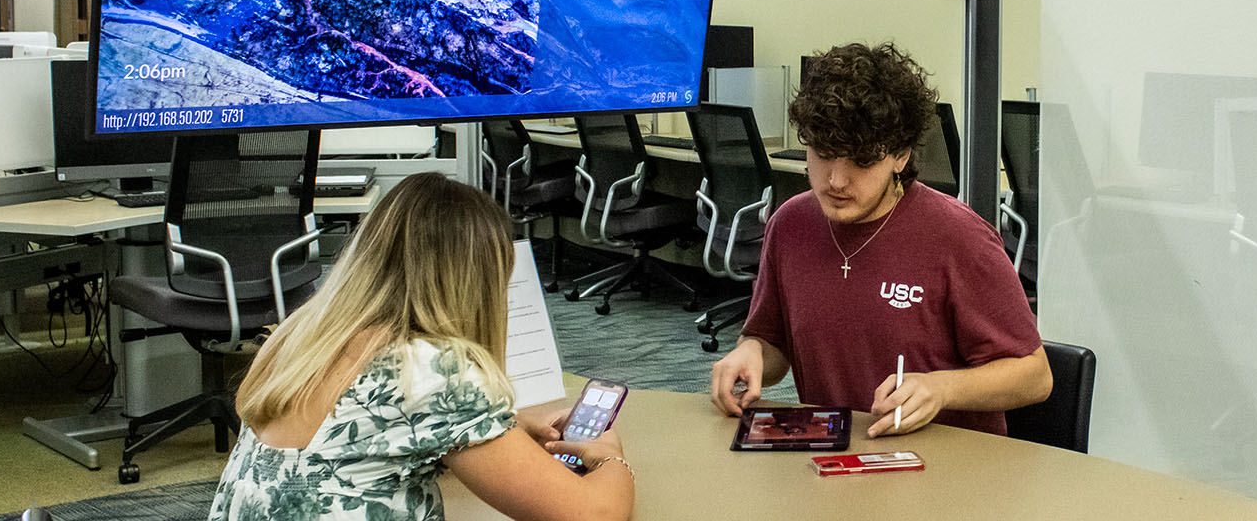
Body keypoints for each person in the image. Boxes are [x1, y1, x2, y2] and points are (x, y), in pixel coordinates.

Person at [209, 172, 633, 521]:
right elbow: (592, 514)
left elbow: (367, 438)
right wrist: (609, 458)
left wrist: (501, 428)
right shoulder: (435, 370)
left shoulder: (299, 334)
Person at [709, 42, 1051, 436]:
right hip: (837, 457)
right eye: (822, 154)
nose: (836, 180)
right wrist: (751, 351)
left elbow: (1034, 376)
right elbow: (772, 342)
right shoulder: (790, 225)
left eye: (863, 160)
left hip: (946, 468)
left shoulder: (960, 238)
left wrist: (940, 388)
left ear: (900, 156)